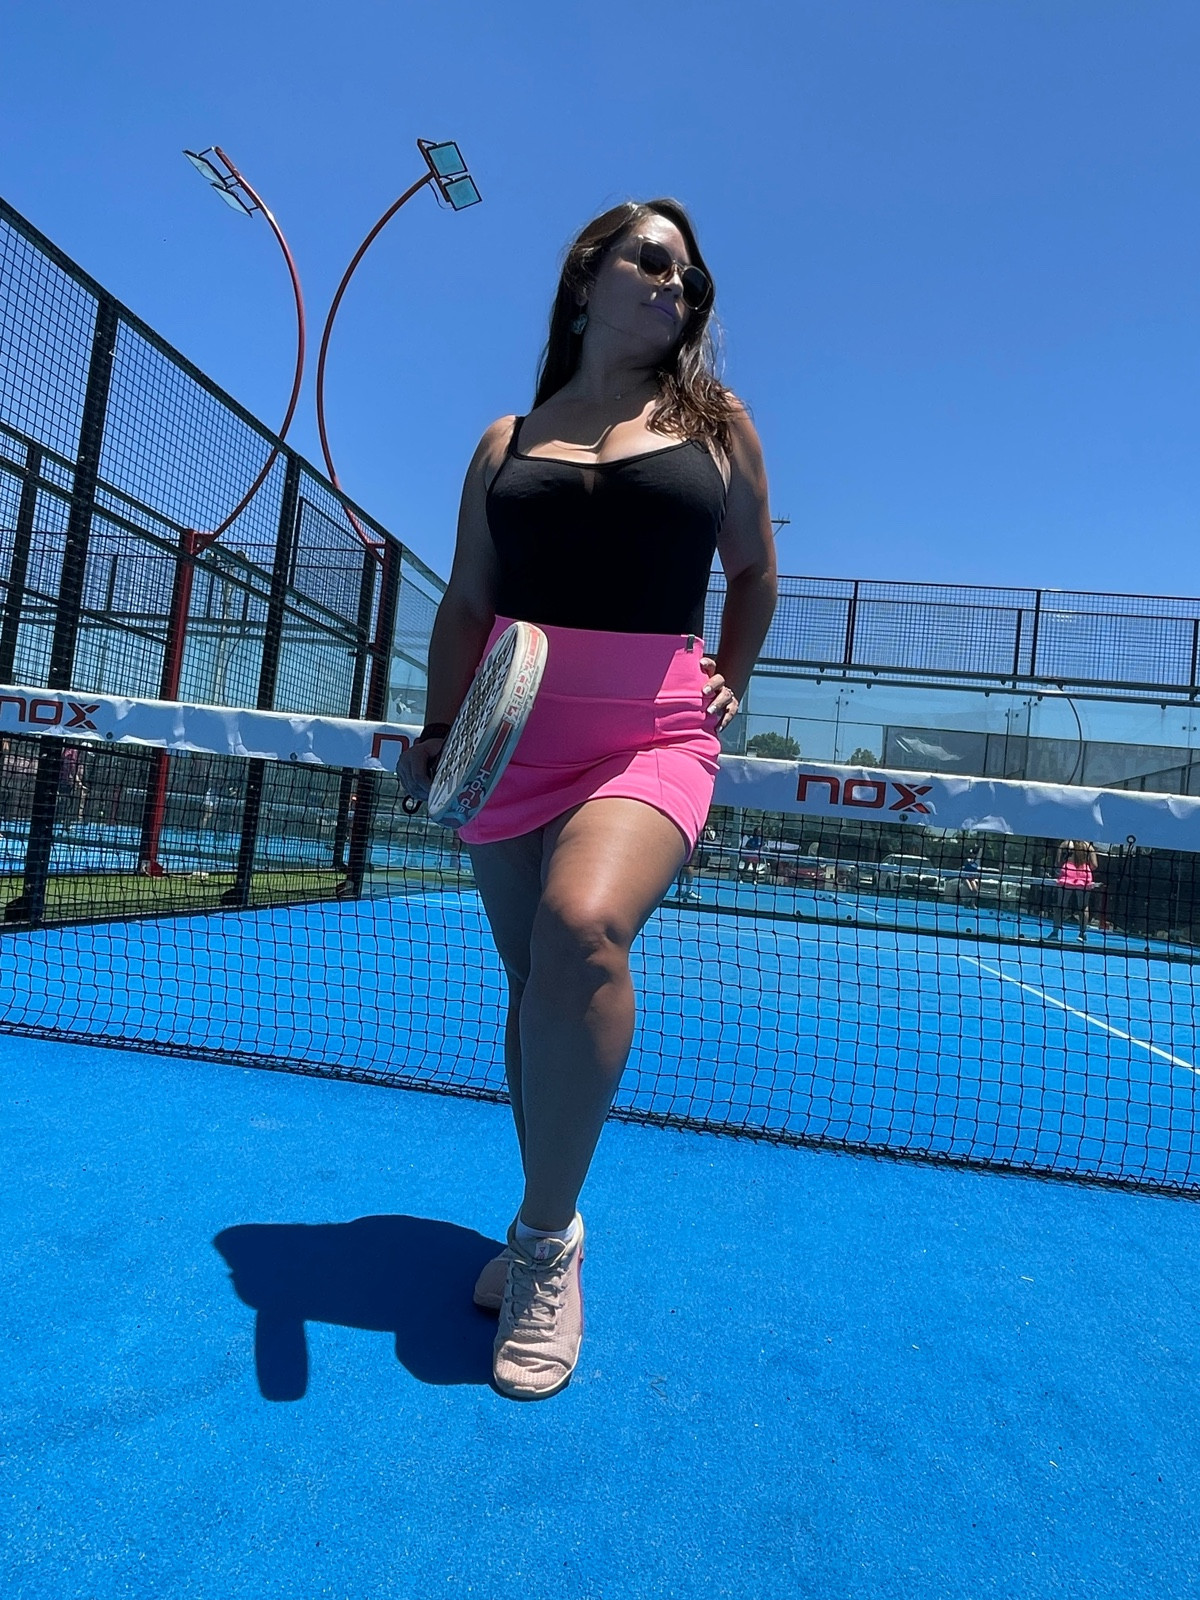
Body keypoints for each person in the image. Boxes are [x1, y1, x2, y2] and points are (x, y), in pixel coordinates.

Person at [398, 199, 776, 1400]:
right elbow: (469, 600)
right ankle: (546, 1212)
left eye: (690, 274)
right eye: (652, 260)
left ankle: (545, 1250)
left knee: (582, 929)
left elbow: (754, 572)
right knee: (534, 991)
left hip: (652, 730)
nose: (677, 283)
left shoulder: (718, 426)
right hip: (509, 736)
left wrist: (733, 672)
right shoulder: (504, 441)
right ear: (585, 278)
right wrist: (440, 732)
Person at [1050, 839, 1098, 941]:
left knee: (1061, 904)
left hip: (1068, 872)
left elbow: (1058, 863)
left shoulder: (1065, 844)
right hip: (1084, 874)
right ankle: (1082, 934)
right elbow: (1094, 865)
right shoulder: (1088, 846)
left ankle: (1055, 932)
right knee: (1083, 906)